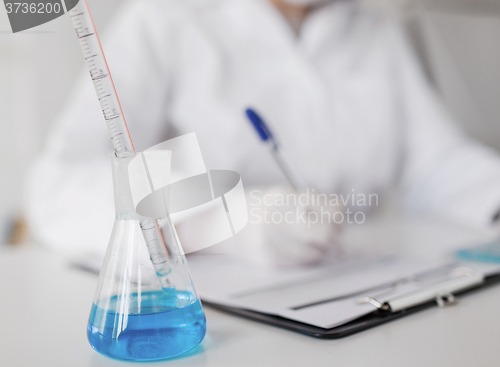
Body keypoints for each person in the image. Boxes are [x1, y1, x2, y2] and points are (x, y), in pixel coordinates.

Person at [25, 0, 500, 266]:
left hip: (353, 298)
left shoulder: (376, 28)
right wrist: (221, 222)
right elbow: (57, 188)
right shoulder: (165, 17)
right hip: (213, 324)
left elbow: (438, 164)